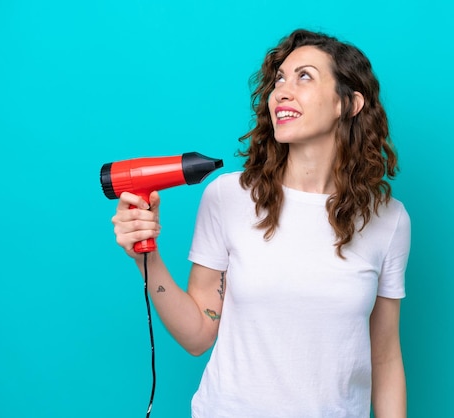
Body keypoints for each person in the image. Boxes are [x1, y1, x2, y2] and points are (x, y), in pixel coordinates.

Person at [112, 28, 411, 418]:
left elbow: (385, 359)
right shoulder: (228, 197)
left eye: (304, 76)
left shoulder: (389, 219)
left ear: (350, 103)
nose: (282, 92)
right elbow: (199, 335)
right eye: (279, 79)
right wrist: (145, 259)